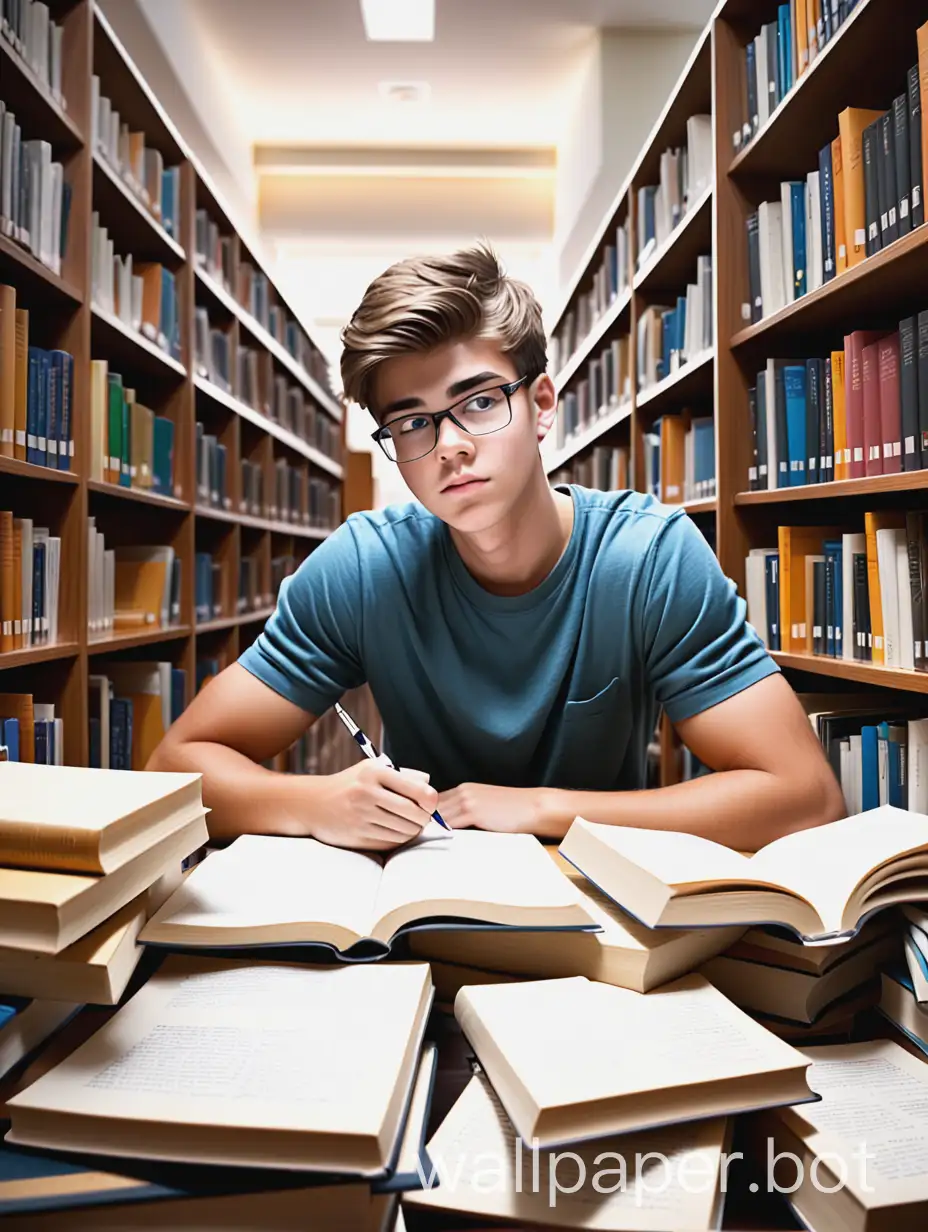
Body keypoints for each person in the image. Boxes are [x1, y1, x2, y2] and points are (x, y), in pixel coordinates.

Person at [148, 244, 845, 852]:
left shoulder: (649, 558)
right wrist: (319, 803)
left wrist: (540, 808)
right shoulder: (364, 568)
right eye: (413, 423)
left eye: (480, 402)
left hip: (599, 921)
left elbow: (804, 795)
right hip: (421, 922)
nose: (449, 446)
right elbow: (176, 764)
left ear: (542, 405)